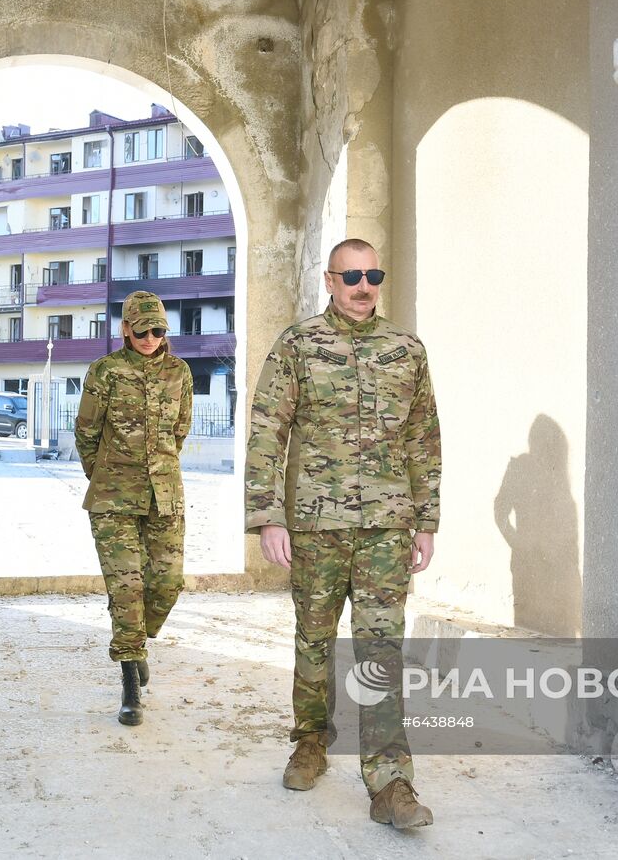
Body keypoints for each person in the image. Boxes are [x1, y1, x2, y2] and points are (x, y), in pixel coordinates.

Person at [244, 237, 441, 828]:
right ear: (330, 281)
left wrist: (426, 520)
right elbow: (266, 432)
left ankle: (390, 781)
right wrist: (268, 515)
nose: (363, 286)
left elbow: (423, 440)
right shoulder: (299, 345)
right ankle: (310, 740)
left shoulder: (407, 349)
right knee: (315, 639)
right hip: (315, 524)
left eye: (373, 274)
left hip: (386, 527)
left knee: (381, 650)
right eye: (351, 276)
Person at [74, 291, 193, 726]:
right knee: (126, 591)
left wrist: (157, 470)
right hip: (112, 499)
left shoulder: (180, 372)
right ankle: (129, 685)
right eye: (141, 329)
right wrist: (105, 477)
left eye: (158, 330)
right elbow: (86, 432)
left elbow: (180, 430)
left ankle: (137, 642)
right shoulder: (105, 372)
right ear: (125, 329)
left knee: (167, 584)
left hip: (165, 496)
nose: (150, 337)